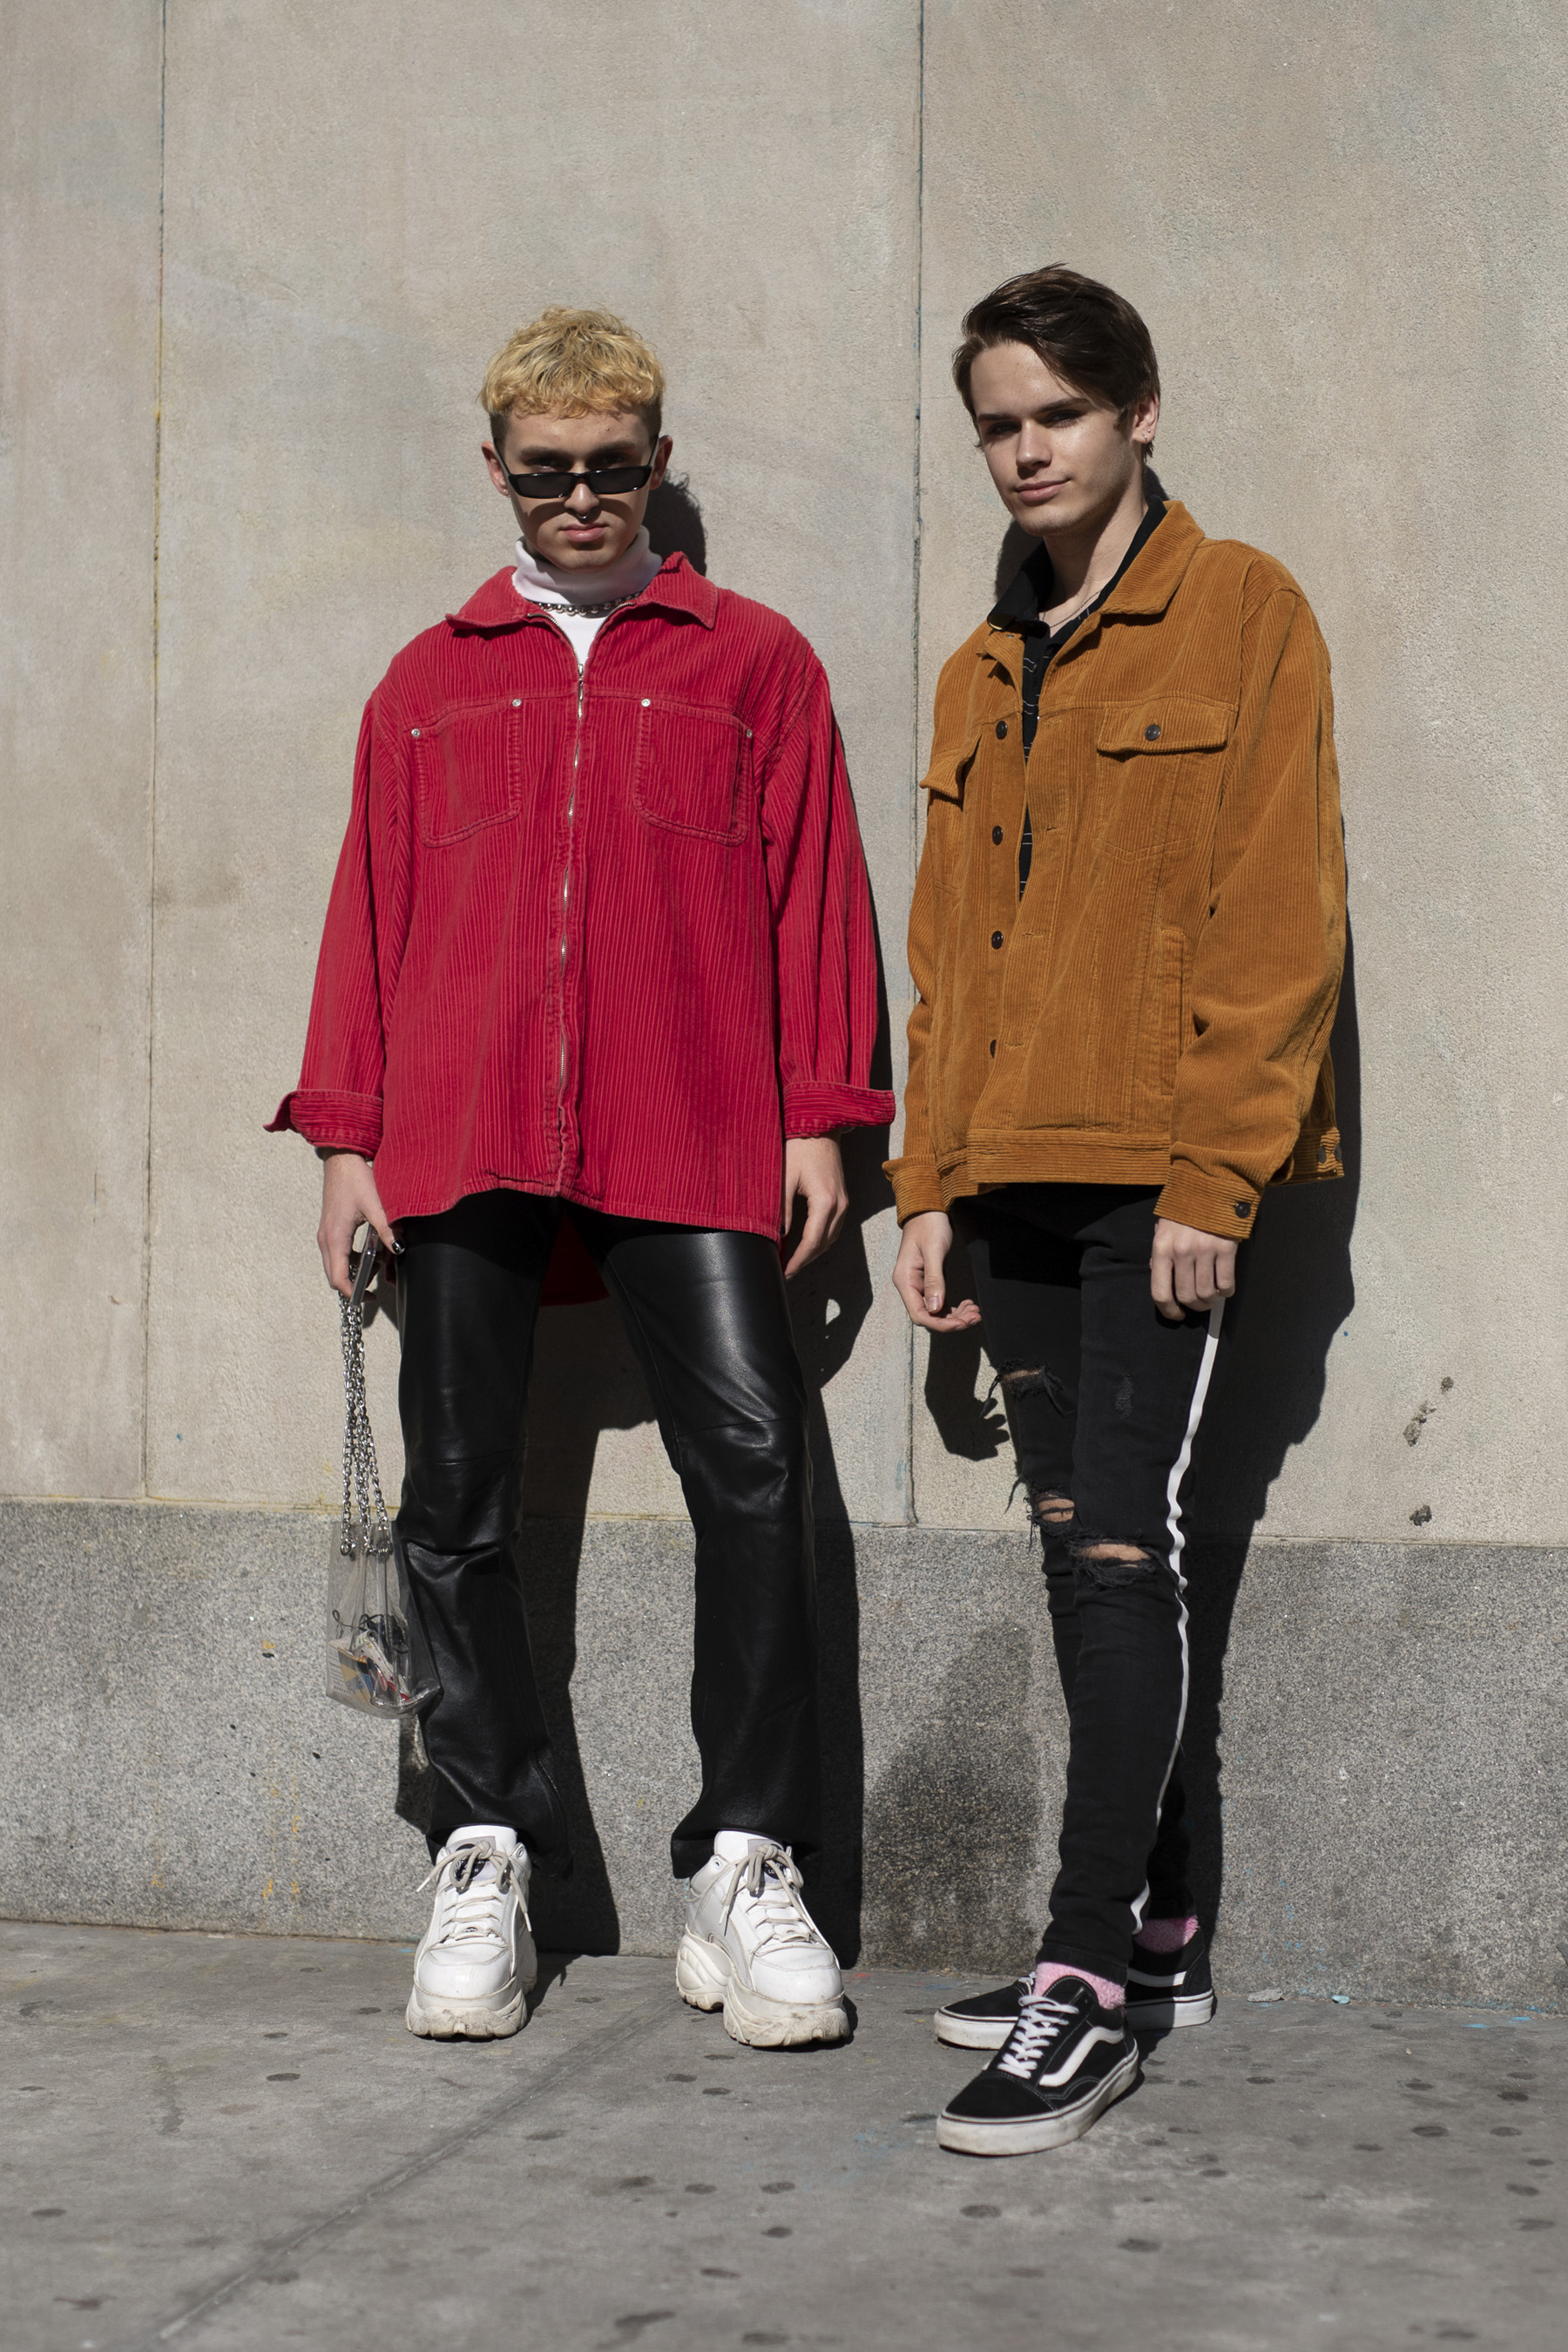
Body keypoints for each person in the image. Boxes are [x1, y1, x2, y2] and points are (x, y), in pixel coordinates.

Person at [270, 307, 892, 2049]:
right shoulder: (428, 681)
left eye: (615, 466)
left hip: (687, 1117)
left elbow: (815, 891)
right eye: (548, 471)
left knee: (757, 1469)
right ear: (497, 471)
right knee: (455, 1498)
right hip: (464, 1129)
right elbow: (370, 917)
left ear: (660, 463)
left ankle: (746, 1860)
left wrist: (820, 1115)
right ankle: (483, 1842)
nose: (583, 497)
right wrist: (346, 1142)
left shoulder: (752, 662)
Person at [886, 267, 1344, 2154]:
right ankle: (1154, 1925)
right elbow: (947, 955)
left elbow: (1280, 918)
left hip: (1153, 1180)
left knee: (1116, 1555)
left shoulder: (1243, 612)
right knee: (1076, 1537)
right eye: (998, 424)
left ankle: (1078, 1981)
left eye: (1057, 415)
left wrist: (1216, 1176)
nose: (1026, 452)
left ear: (1139, 410)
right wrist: (927, 1180)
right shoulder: (980, 667)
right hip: (1005, 1177)